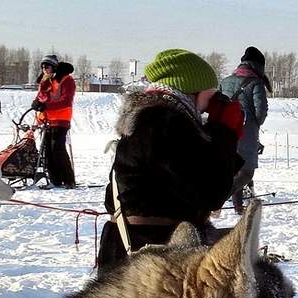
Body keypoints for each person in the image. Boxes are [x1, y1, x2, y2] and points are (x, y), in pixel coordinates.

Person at [97, 49, 244, 275]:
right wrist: (224, 131)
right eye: (211, 94)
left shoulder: (153, 119)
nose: (211, 103)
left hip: (137, 247)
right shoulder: (164, 123)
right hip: (151, 250)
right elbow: (212, 191)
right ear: (192, 90)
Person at [219, 46, 271, 214]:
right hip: (246, 132)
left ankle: (238, 206)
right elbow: (261, 111)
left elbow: (217, 105)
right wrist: (255, 125)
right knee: (246, 172)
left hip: (225, 132)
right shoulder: (255, 82)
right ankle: (218, 200)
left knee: (235, 170)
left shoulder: (225, 81)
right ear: (258, 65)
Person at [33, 55, 77, 187]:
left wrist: (46, 106)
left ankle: (68, 180)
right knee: (48, 151)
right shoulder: (46, 81)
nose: (44, 69)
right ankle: (55, 180)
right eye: (42, 67)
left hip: (61, 119)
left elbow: (66, 100)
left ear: (54, 67)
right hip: (47, 120)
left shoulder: (67, 80)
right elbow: (42, 98)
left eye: (47, 66)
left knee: (57, 149)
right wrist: (37, 103)